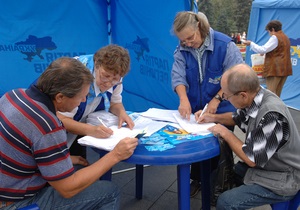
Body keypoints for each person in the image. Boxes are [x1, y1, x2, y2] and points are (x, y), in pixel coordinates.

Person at [0, 57, 138, 209]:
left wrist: (65, 159)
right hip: (14, 202)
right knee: (109, 192)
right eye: (82, 96)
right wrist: (116, 155)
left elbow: (20, 148)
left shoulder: (12, 95)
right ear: (60, 97)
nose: (84, 100)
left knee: (82, 170)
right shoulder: (49, 127)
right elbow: (68, 189)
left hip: (7, 184)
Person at [196, 63, 300, 209]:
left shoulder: (272, 116)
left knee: (226, 202)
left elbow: (252, 159)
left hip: (284, 177)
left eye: (226, 96)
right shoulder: (256, 96)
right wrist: (212, 118)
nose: (225, 98)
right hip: (268, 167)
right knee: (215, 178)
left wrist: (225, 132)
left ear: (243, 95)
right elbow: (237, 118)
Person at [171, 11, 243, 198]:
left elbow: (236, 77)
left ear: (199, 27)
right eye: (182, 40)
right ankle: (197, 179)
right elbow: (178, 76)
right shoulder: (182, 48)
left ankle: (218, 185)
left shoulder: (225, 45)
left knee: (219, 148)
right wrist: (183, 99)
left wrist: (217, 99)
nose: (187, 43)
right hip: (197, 109)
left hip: (225, 107)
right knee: (195, 144)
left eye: (190, 38)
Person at [57, 44, 135, 158]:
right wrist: (92, 130)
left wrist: (122, 113)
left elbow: (115, 102)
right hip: (49, 134)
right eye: (105, 76)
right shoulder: (75, 78)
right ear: (96, 64)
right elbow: (59, 119)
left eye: (114, 80)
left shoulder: (116, 76)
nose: (109, 84)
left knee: (79, 163)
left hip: (78, 127)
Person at [243, 20, 292, 97]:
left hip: (275, 69)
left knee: (270, 94)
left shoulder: (275, 37)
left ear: (272, 29)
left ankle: (271, 109)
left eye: (269, 31)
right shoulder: (285, 37)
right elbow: (278, 51)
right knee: (277, 94)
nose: (269, 34)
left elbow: (263, 49)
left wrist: (251, 43)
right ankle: (278, 108)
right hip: (285, 69)